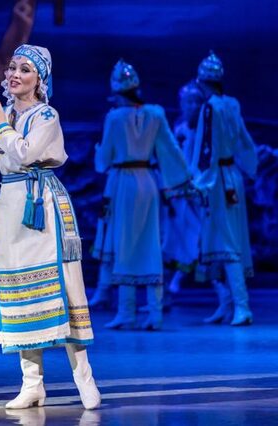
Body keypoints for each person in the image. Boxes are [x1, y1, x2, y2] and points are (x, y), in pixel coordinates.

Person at [0, 44, 101, 410]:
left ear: (39, 79)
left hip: (42, 203)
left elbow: (26, 153)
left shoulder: (46, 115)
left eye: (24, 69)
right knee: (21, 290)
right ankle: (32, 384)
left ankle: (83, 376)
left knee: (62, 287)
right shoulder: (2, 115)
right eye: (12, 67)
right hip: (10, 206)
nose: (14, 74)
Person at [92, 59, 191, 330]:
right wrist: (184, 180)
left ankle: (127, 312)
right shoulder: (155, 114)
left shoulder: (114, 117)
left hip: (124, 183)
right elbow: (170, 149)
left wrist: (99, 153)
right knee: (149, 244)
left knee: (125, 243)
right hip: (148, 182)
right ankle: (155, 313)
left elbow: (103, 161)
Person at [191, 51, 257, 326]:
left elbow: (208, 148)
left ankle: (242, 305)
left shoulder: (211, 107)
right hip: (231, 175)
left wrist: (199, 182)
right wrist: (249, 167)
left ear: (202, 83)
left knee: (228, 244)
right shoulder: (232, 104)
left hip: (218, 178)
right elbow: (243, 139)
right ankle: (227, 303)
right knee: (221, 241)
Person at [161, 81, 204, 295]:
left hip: (198, 183)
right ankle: (170, 282)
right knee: (175, 234)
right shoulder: (179, 127)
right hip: (178, 183)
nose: (193, 106)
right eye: (189, 102)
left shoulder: (206, 128)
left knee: (197, 232)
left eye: (196, 102)